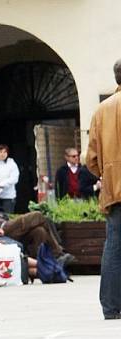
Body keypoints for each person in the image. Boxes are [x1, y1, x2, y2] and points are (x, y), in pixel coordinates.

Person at [86, 59, 121, 320]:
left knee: (114, 247)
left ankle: (110, 306)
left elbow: (91, 160)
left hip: (115, 189)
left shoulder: (102, 110)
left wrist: (109, 174)